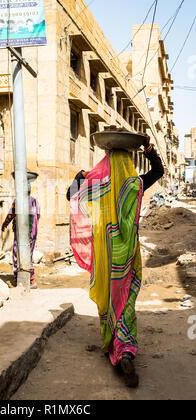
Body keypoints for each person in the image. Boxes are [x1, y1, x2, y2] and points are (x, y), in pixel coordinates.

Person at [67, 129, 164, 388]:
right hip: (128, 253)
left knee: (108, 297)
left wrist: (81, 176)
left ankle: (112, 341)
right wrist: (149, 148)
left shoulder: (99, 185)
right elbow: (158, 171)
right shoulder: (135, 184)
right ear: (128, 161)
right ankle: (126, 349)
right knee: (126, 300)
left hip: (104, 253)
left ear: (107, 160)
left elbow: (71, 196)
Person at [2, 184, 40, 289]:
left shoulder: (17, 202)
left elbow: (10, 215)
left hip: (21, 233)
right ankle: (31, 279)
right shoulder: (35, 201)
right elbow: (38, 216)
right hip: (32, 233)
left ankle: (20, 278)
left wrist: (5, 224)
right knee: (29, 254)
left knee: (16, 253)